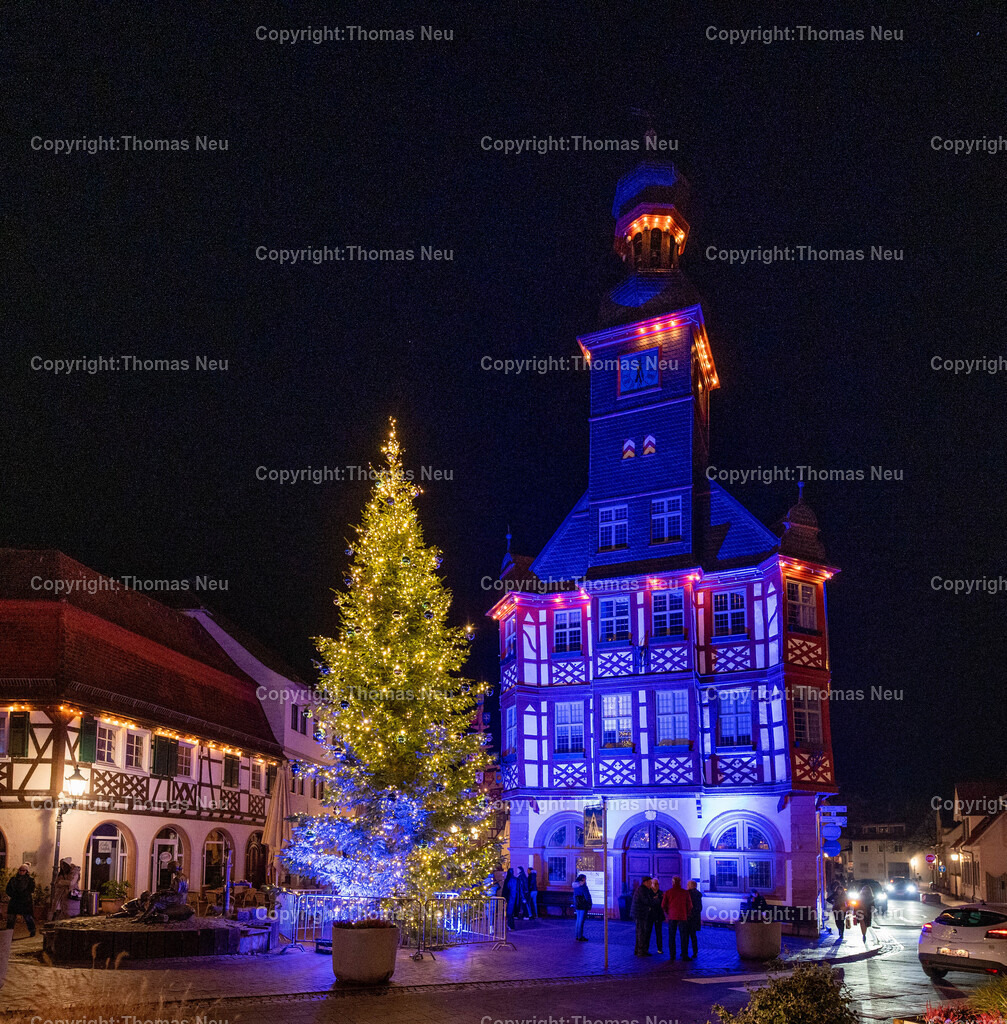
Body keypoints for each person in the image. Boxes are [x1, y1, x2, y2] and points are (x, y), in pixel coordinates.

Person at [661, 876, 689, 959]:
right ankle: (684, 954)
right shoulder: (685, 893)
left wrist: (668, 912)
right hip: (682, 916)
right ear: (680, 882)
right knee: (684, 936)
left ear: (672, 882)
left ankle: (672, 955)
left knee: (671, 936)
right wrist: (686, 913)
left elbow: (663, 905)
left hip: (672, 916)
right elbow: (690, 905)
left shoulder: (668, 892)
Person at [6, 863, 36, 937]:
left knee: (28, 917)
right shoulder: (13, 879)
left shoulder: (30, 880)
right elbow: (8, 889)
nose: (21, 872)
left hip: (25, 901)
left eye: (23, 871)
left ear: (26, 871)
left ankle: (32, 930)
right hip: (15, 901)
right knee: (11, 918)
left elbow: (31, 890)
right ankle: (9, 933)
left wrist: (23, 895)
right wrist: (13, 894)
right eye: (20, 870)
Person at [631, 874, 656, 955]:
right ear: (646, 882)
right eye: (650, 882)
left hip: (640, 913)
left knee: (640, 931)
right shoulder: (642, 890)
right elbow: (646, 901)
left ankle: (639, 950)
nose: (651, 884)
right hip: (640, 914)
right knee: (641, 932)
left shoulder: (644, 889)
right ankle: (641, 951)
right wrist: (654, 900)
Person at [684, 880, 703, 959]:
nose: (686, 886)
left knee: (685, 936)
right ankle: (695, 951)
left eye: (688, 884)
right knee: (693, 936)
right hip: (695, 919)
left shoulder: (687, 894)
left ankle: (684, 952)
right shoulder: (698, 895)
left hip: (688, 918)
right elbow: (699, 908)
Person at [572, 873, 592, 941]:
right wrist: (589, 903)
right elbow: (587, 896)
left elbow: (574, 896)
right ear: (583, 879)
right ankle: (580, 936)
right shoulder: (583, 886)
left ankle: (577, 935)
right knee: (581, 921)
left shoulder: (575, 886)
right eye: (585, 879)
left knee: (578, 920)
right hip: (583, 905)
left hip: (577, 905)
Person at [648, 877, 665, 954]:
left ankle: (660, 948)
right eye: (654, 883)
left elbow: (663, 903)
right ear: (651, 884)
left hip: (658, 915)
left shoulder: (661, 893)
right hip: (650, 915)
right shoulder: (648, 892)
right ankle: (646, 948)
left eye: (657, 883)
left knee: (659, 932)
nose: (656, 885)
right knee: (648, 932)